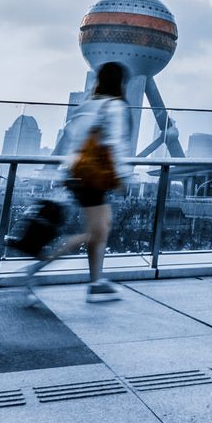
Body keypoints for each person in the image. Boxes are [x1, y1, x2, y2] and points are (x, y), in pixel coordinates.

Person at [67, 62, 129, 300]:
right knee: (96, 232)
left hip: (78, 174)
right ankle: (37, 267)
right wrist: (122, 176)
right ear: (119, 82)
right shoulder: (114, 107)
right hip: (94, 178)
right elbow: (113, 144)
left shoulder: (86, 105)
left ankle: (95, 281)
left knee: (100, 229)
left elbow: (72, 139)